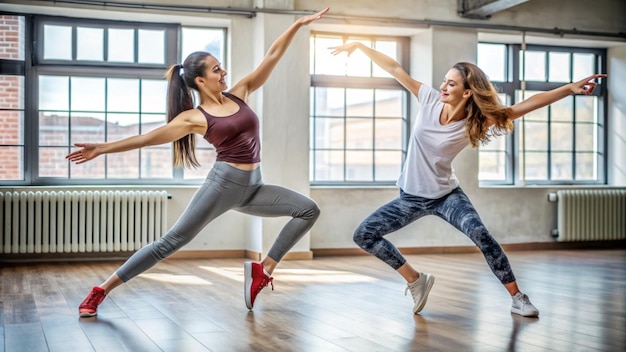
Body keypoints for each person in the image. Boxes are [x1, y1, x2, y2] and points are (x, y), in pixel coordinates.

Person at [67, 7, 329, 317]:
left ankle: (264, 269)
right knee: (170, 243)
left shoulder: (240, 94)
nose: (224, 73)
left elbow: (272, 56)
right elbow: (147, 138)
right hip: (223, 186)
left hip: (253, 186)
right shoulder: (194, 117)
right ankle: (100, 291)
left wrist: (297, 24)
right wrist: (103, 148)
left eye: (222, 68)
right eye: (217, 70)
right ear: (201, 80)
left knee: (307, 209)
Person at [330, 42, 606, 317]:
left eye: (451, 84)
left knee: (481, 235)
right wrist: (360, 46)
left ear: (467, 91)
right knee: (364, 235)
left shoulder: (477, 120)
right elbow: (394, 68)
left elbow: (523, 106)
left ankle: (518, 298)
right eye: (444, 81)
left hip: (446, 197)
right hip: (410, 197)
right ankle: (415, 280)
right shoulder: (427, 98)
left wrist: (569, 89)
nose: (443, 87)